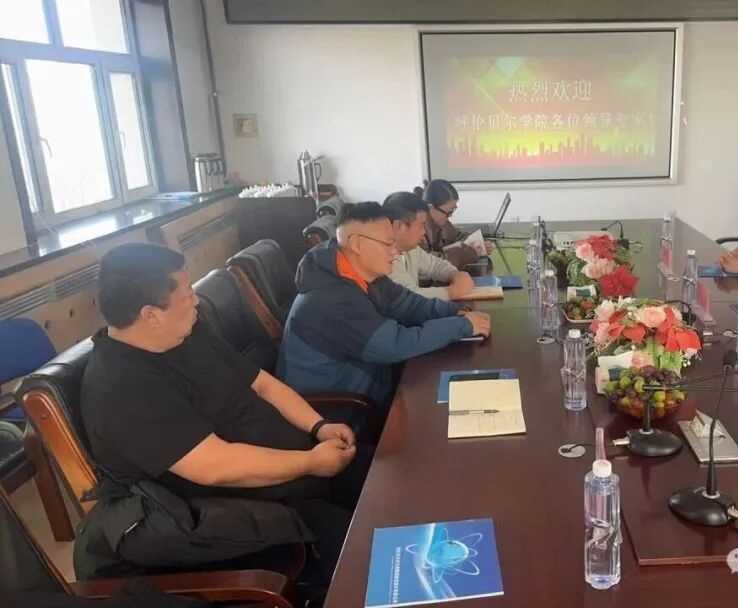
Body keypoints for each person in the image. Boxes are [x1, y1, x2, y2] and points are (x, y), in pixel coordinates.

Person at [81, 243, 365, 585]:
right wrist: (311, 462)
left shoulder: (187, 332)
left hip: (307, 465)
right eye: (187, 295)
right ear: (151, 315)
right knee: (370, 561)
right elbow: (215, 467)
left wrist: (318, 426)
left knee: (394, 476)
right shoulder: (121, 387)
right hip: (267, 506)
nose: (196, 301)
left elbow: (262, 384)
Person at [278, 202, 491, 407]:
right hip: (341, 414)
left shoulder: (366, 276)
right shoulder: (330, 298)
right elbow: (395, 344)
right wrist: (461, 326)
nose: (395, 253)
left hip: (375, 382)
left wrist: (456, 311)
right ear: (357, 244)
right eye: (388, 244)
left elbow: (408, 304)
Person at [384, 191, 475, 300]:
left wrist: (455, 274)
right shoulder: (384, 257)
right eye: (421, 225)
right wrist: (452, 291)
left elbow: (435, 265)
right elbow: (410, 297)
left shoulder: (410, 249)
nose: (423, 232)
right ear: (400, 226)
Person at [417, 179, 495, 269]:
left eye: (453, 211)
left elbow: (456, 236)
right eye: (448, 212)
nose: (450, 216)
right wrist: (462, 255)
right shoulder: (417, 231)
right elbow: (428, 263)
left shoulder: (442, 223)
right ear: (430, 207)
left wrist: (478, 242)